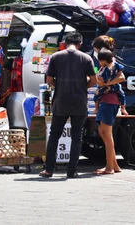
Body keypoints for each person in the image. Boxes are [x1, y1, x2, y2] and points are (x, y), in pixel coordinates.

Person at [39, 32, 97, 179]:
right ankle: (72, 171)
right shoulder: (86, 58)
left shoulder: (56, 57)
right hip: (79, 102)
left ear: (64, 43)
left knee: (54, 136)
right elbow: (94, 80)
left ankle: (49, 170)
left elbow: (49, 79)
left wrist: (58, 85)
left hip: (61, 102)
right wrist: (83, 87)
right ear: (80, 44)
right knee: (77, 137)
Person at [93, 48, 128, 175]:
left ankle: (109, 167)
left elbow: (120, 78)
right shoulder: (110, 66)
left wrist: (105, 84)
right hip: (107, 102)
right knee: (103, 132)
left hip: (108, 102)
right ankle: (114, 165)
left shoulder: (110, 67)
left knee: (107, 135)